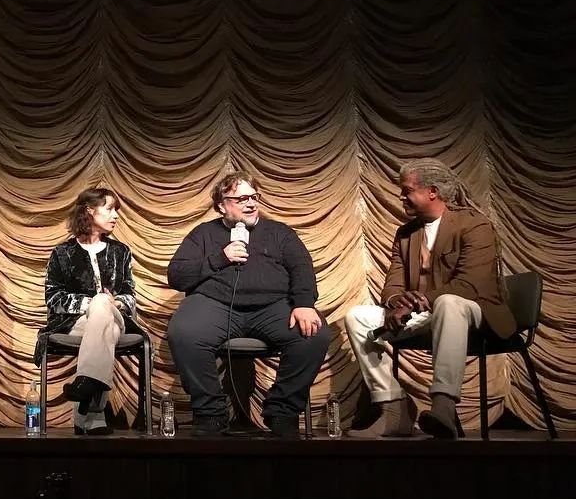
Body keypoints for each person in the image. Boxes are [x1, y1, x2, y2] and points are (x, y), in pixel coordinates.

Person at [345, 159, 514, 439]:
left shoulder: (475, 225)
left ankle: (444, 406)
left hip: (474, 311)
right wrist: (397, 301)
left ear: (432, 191)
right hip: (424, 314)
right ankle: (394, 410)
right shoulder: (406, 233)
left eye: (407, 190)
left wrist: (416, 302)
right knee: (358, 317)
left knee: (449, 302)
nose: (402, 196)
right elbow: (393, 283)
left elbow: (470, 285)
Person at [166, 171, 328, 438]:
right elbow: (177, 276)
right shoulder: (203, 234)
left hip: (273, 307)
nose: (251, 203)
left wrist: (303, 303)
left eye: (254, 197)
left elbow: (302, 268)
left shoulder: (280, 233)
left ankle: (282, 412)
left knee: (313, 334)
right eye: (241, 199)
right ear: (221, 205)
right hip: (214, 305)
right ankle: (211, 413)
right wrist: (220, 258)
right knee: (184, 332)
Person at [33, 188, 141, 435]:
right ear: (89, 211)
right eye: (110, 209)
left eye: (116, 210)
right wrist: (91, 304)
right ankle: (92, 414)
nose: (116, 216)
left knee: (104, 307)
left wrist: (116, 303)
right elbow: (53, 297)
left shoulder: (120, 251)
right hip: (74, 322)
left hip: (116, 315)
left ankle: (86, 385)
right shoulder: (62, 253)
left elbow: (129, 293)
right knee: (104, 325)